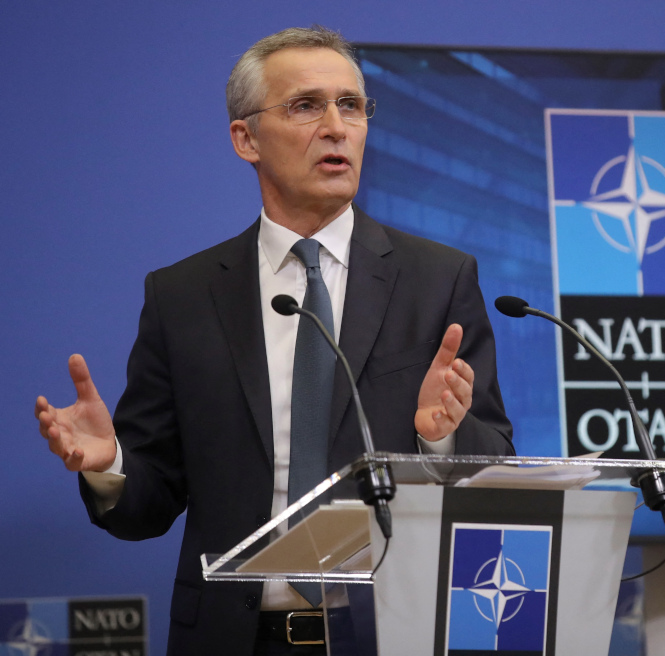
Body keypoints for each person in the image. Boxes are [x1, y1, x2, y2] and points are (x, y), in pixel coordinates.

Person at [34, 26, 514, 656]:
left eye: (351, 105)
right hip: (236, 638)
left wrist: (440, 436)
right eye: (306, 106)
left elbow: (496, 468)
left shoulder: (437, 279)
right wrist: (111, 468)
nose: (337, 126)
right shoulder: (183, 295)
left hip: (392, 634)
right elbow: (149, 505)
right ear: (246, 138)